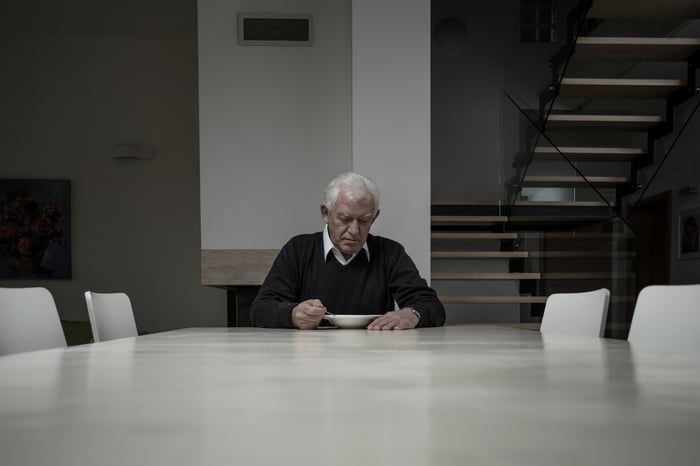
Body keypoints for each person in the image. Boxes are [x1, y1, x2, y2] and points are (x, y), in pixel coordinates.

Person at [250, 172, 446, 330]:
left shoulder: (390, 252)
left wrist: (412, 314)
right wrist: (293, 314)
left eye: (363, 221)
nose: (354, 231)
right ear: (325, 213)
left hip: (374, 356)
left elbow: (432, 306)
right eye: (344, 219)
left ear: (374, 218)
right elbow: (260, 309)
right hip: (310, 358)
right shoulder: (298, 249)